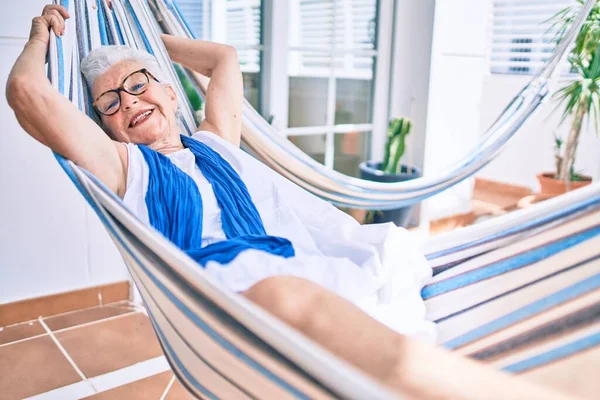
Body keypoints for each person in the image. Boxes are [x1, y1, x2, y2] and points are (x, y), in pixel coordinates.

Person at [6, 5, 571, 399]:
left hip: (286, 267)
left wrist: (149, 48)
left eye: (139, 84)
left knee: (343, 281)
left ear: (170, 91)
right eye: (109, 102)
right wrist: (41, 36)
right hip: (216, 297)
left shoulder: (214, 142)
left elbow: (224, 59)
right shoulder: (124, 167)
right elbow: (29, 94)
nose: (128, 101)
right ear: (105, 127)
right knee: (284, 295)